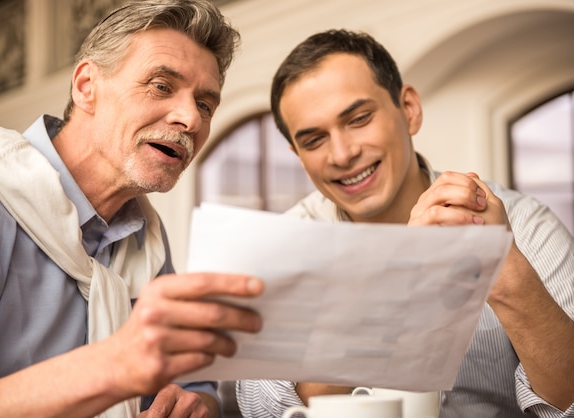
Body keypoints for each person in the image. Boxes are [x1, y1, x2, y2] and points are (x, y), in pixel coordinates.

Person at [0, 1, 265, 417]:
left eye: (205, 104)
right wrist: (112, 369)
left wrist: (193, 404)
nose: (191, 118)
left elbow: (192, 382)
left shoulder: (144, 233)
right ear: (86, 86)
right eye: (161, 85)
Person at [236, 29, 574, 418]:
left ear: (409, 109)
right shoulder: (281, 248)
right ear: (298, 156)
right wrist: (393, 287)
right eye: (314, 140)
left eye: (359, 119)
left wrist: (508, 276)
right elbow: (262, 408)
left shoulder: (526, 223)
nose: (343, 154)